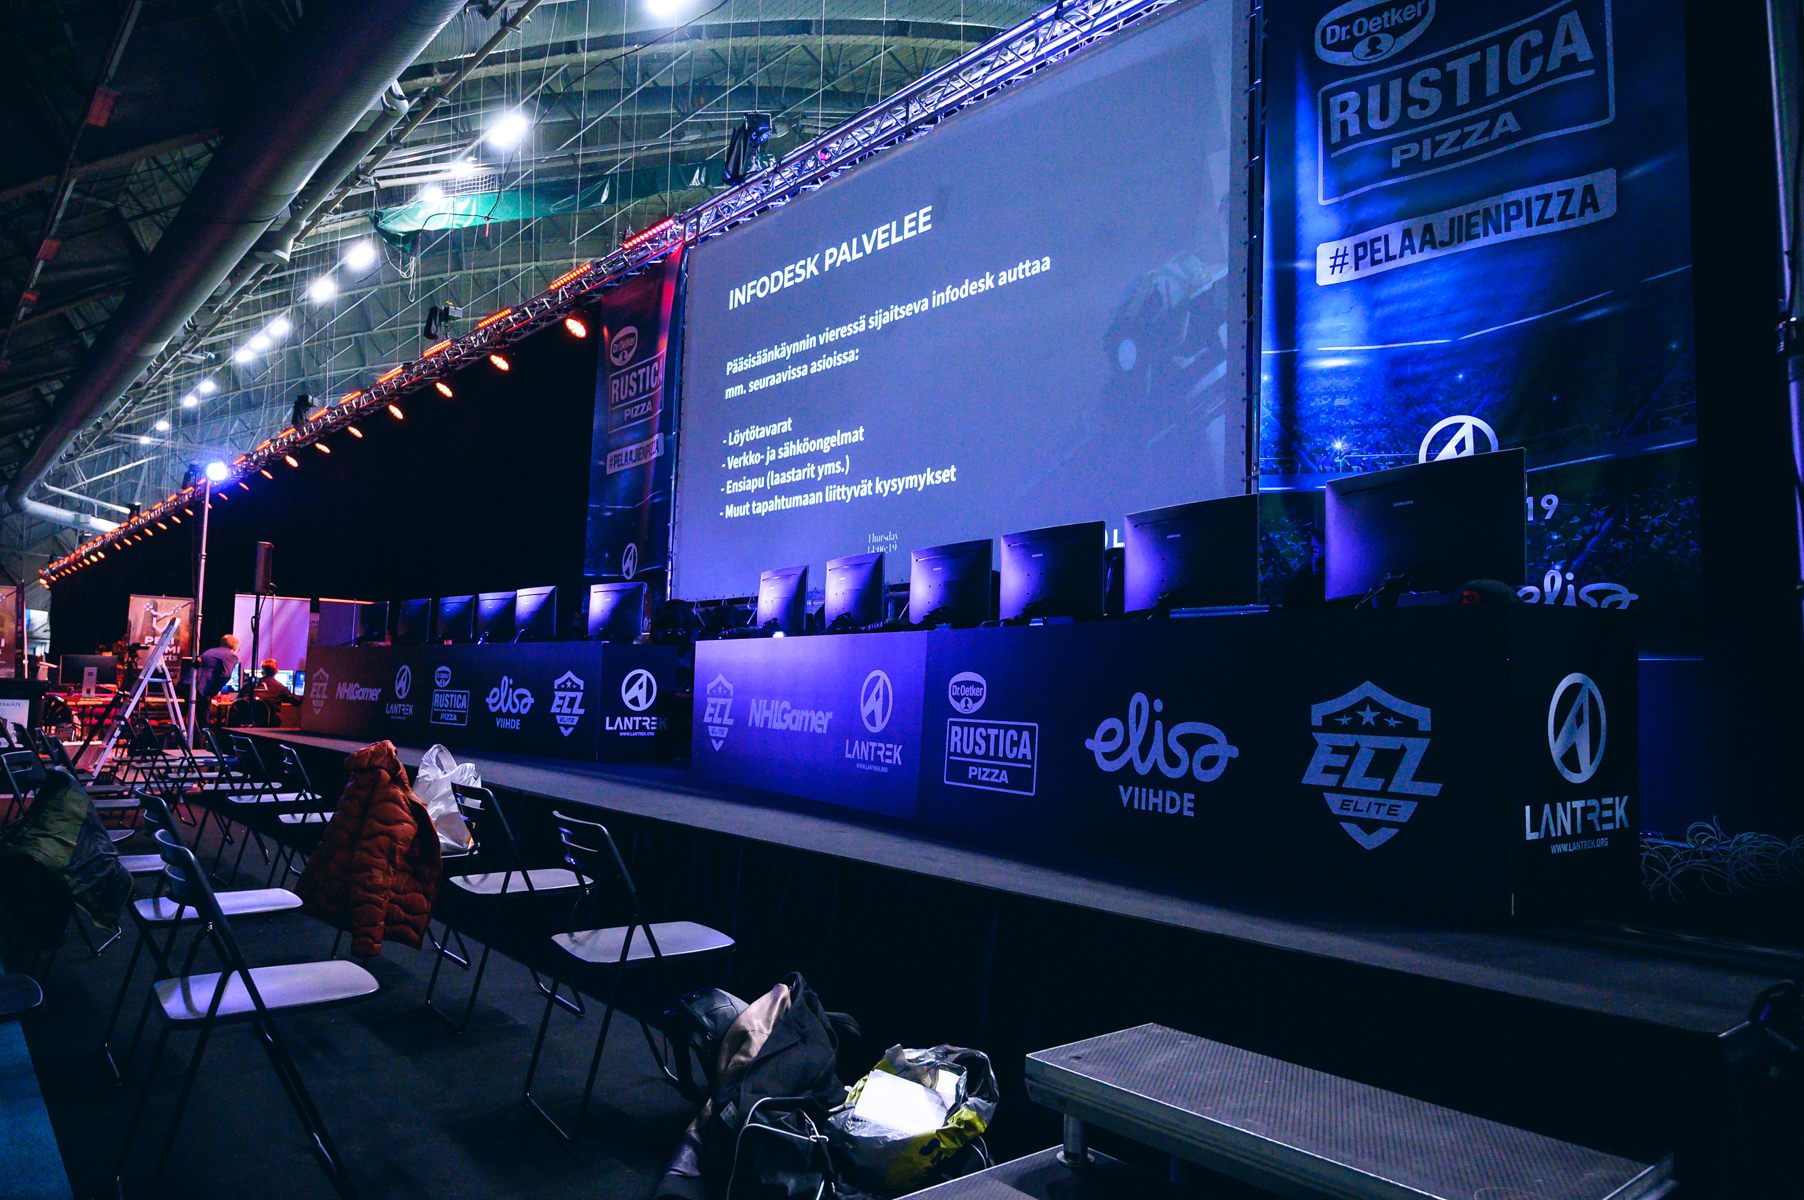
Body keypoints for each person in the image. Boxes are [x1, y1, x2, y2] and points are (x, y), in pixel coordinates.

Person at [195, 634, 240, 702]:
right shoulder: (230, 655)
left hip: (188, 684)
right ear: (235, 647)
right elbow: (225, 676)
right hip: (201, 690)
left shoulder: (210, 651)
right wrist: (211, 694)